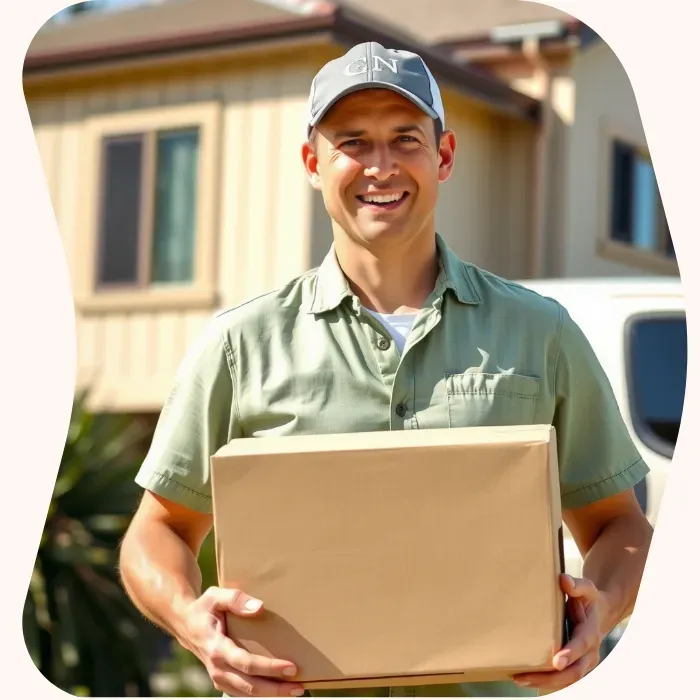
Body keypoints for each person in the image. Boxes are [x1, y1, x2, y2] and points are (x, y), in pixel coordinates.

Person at [119, 42, 653, 698]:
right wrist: (190, 621)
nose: (380, 166)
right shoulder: (239, 344)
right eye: (353, 141)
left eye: (405, 139)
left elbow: (620, 527)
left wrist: (599, 608)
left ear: (444, 156)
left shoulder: (541, 333)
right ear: (314, 162)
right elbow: (158, 530)